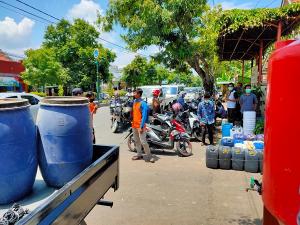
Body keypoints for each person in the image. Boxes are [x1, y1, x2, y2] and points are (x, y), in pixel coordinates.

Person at [131, 88, 155, 163]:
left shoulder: (143, 103)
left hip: (140, 126)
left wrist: (141, 126)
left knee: (143, 141)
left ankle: (150, 156)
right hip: (134, 125)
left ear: (138, 94)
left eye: (135, 93)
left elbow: (144, 116)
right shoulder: (134, 101)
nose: (133, 94)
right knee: (136, 141)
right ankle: (139, 154)